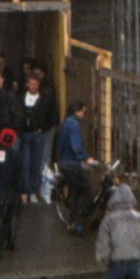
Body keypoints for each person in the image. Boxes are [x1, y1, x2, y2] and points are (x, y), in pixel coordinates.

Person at [14, 71, 57, 203]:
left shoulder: (45, 99)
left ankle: (33, 191)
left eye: (35, 84)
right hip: (25, 134)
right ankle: (26, 191)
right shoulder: (20, 98)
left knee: (36, 164)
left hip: (38, 134)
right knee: (25, 163)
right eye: (31, 84)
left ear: (39, 85)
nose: (33, 86)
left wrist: (42, 128)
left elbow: (52, 116)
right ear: (27, 84)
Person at [95, 183, 140, 279]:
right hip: (135, 263)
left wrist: (103, 260)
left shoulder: (108, 220)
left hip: (116, 264)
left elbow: (103, 245)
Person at [57, 99, 96, 235]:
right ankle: (78, 224)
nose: (84, 116)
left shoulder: (65, 123)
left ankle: (71, 224)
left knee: (74, 193)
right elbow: (76, 146)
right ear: (77, 111)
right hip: (73, 165)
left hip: (64, 163)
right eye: (83, 112)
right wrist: (86, 158)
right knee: (87, 194)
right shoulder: (74, 124)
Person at [0, 128, 24, 260]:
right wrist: (23, 192)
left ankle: (10, 241)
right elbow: (19, 176)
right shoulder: (16, 155)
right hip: (11, 192)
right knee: (7, 218)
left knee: (5, 217)